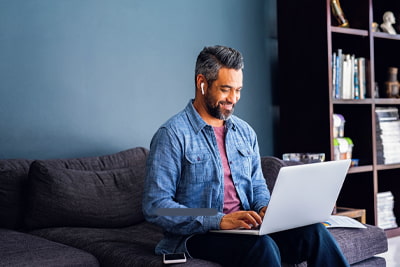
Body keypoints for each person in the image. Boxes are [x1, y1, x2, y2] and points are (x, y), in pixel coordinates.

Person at [142, 45, 349, 266]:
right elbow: (156, 205)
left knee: (314, 232)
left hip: (247, 229)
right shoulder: (172, 135)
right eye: (225, 89)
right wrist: (218, 219)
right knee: (262, 247)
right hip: (199, 236)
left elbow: (258, 186)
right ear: (202, 83)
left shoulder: (244, 132)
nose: (234, 98)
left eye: (238, 89)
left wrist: (265, 209)